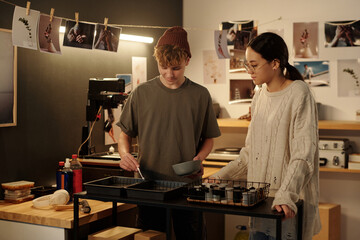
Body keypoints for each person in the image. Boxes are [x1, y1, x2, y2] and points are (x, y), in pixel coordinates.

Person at [211, 32, 321, 240]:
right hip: (258, 201)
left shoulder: (299, 93)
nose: (249, 71)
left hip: (283, 206)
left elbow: (303, 155)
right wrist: (220, 176)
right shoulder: (259, 95)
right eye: (246, 65)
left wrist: (286, 195)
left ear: (275, 64)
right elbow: (250, 154)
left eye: (254, 65)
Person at [117, 26, 221, 239]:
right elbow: (124, 134)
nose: (169, 74)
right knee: (151, 237)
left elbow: (209, 138)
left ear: (187, 62)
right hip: (149, 185)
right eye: (163, 67)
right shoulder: (141, 93)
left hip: (188, 187)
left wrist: (199, 159)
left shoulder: (200, 95)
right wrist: (124, 155)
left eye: (176, 68)